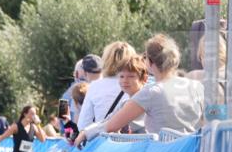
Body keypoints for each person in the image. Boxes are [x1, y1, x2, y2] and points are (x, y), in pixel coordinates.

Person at [75, 34, 205, 144]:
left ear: (149, 62)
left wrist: (86, 133)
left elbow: (111, 125)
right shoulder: (197, 86)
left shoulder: (151, 93)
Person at [77, 42, 136, 130]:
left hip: (104, 141)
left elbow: (82, 125)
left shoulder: (95, 86)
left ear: (106, 61)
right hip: (134, 141)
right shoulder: (140, 86)